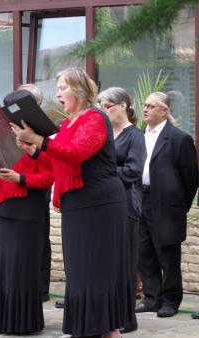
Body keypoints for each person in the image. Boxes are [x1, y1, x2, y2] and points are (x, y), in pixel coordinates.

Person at [12, 67, 134, 338]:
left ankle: (109, 329)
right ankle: (88, 327)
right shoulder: (67, 123)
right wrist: (32, 149)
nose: (58, 93)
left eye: (63, 87)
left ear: (79, 89)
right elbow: (59, 160)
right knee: (79, 269)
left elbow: (76, 153)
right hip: (77, 202)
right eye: (58, 88)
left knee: (98, 267)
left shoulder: (95, 118)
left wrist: (39, 141)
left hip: (100, 204)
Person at [0, 90, 54, 334]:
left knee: (21, 266)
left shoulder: (42, 136)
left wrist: (20, 178)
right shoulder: (2, 133)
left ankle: (22, 321)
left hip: (27, 209)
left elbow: (48, 177)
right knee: (2, 265)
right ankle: (2, 319)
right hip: (3, 206)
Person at [135, 92, 198, 318]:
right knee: (144, 251)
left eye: (151, 106)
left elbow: (191, 178)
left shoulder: (179, 139)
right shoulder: (139, 136)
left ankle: (171, 300)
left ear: (164, 111)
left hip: (166, 204)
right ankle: (152, 298)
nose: (145, 109)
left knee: (168, 254)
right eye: (144, 105)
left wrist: (180, 205)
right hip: (141, 199)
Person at [97, 87, 146, 332]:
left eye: (107, 106)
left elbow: (133, 171)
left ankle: (126, 318)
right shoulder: (104, 135)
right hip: (103, 205)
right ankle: (108, 315)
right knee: (107, 264)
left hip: (126, 205)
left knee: (125, 264)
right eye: (101, 106)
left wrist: (102, 174)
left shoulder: (134, 136)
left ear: (123, 105)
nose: (103, 111)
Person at [19, 83, 52, 303]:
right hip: (14, 191)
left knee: (39, 241)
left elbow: (49, 162)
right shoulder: (11, 125)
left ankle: (41, 288)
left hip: (37, 189)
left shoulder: (44, 127)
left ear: (37, 103)